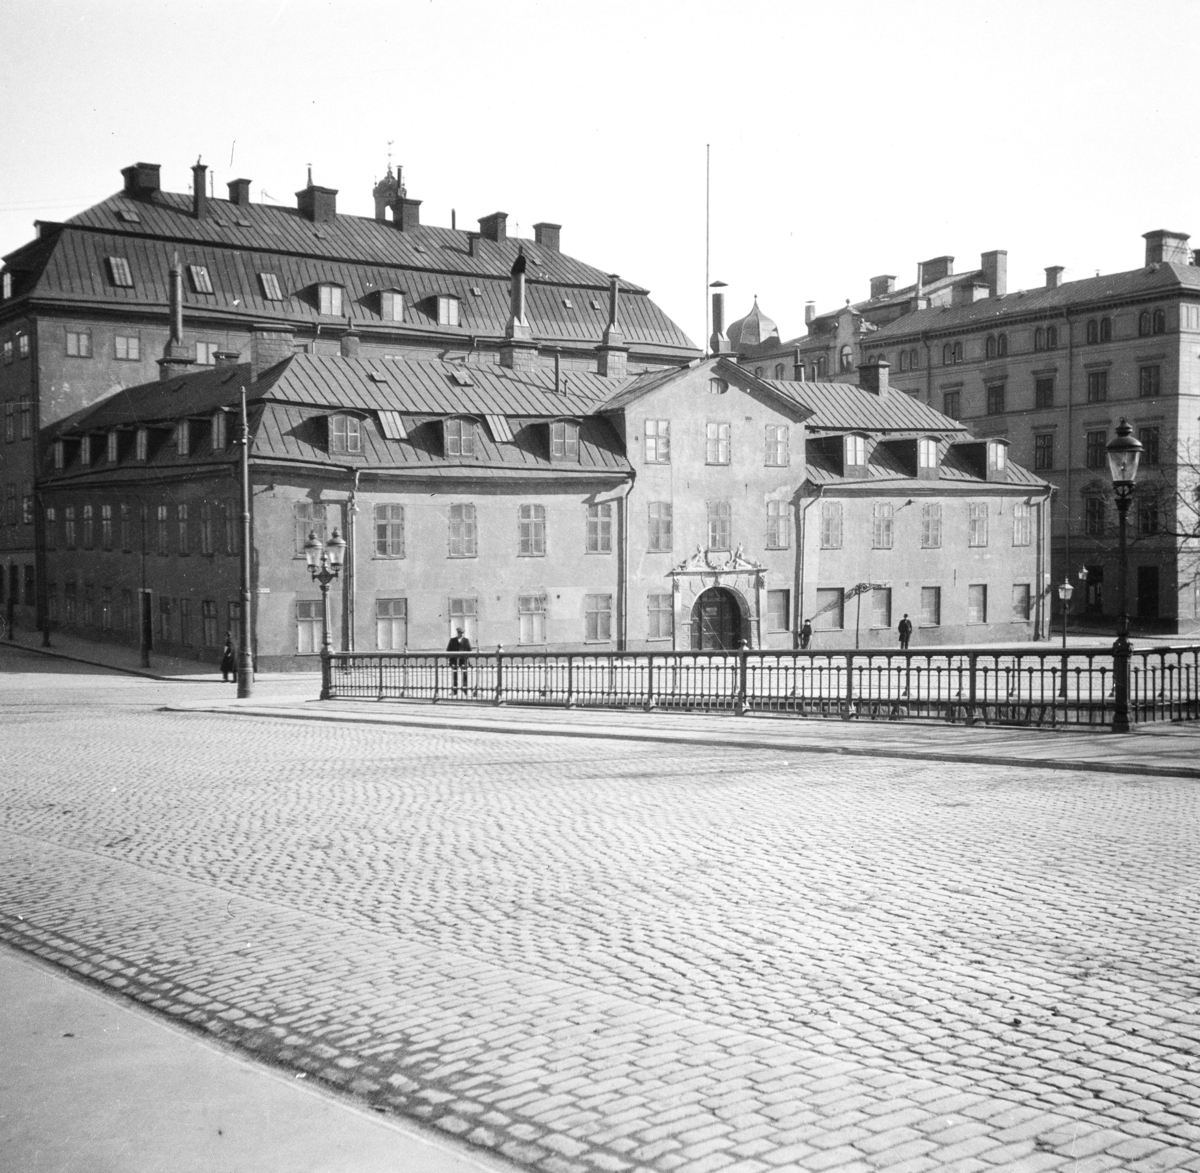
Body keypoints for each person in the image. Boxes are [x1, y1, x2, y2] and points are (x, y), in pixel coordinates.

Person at [447, 626, 471, 696]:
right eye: (461, 633)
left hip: (463, 660)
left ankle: (465, 690)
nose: (462, 634)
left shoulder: (466, 640)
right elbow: (448, 650)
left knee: (465, 675)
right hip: (454, 660)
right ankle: (454, 691)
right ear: (458, 633)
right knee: (454, 675)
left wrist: (466, 657)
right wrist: (451, 660)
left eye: (463, 633)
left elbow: (469, 650)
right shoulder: (452, 640)